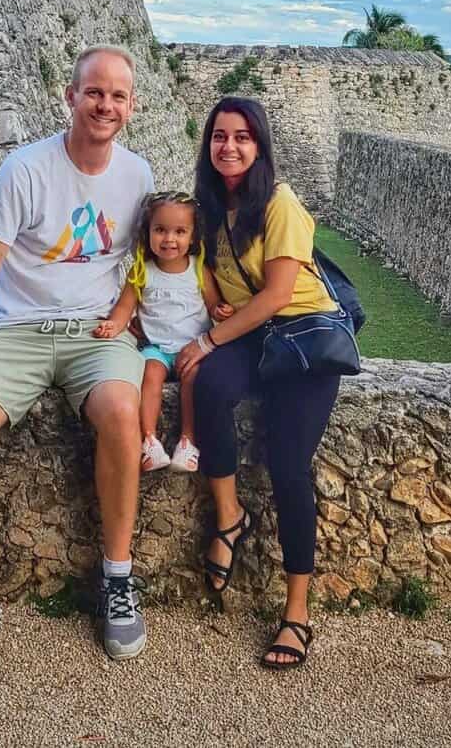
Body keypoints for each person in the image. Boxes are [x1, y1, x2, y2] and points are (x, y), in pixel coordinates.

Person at [0, 45, 154, 680]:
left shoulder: (136, 176)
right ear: (70, 96)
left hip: (96, 332)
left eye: (117, 96)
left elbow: (145, 263)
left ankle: (116, 577)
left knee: (120, 413)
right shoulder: (25, 169)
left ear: (131, 106)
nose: (105, 105)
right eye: (94, 93)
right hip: (19, 330)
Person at [174, 96, 343, 672]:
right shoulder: (209, 205)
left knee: (288, 463)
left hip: (299, 335)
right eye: (220, 136)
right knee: (209, 388)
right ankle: (228, 516)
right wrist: (214, 307)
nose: (229, 146)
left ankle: (297, 611)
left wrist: (207, 339)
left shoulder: (279, 203)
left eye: (242, 137)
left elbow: (276, 295)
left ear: (260, 145)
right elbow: (207, 272)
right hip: (248, 332)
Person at [93, 191, 233, 473]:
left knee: (193, 379)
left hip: (191, 349)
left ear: (193, 237)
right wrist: (114, 324)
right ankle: (149, 441)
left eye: (180, 231)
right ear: (148, 233)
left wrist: (220, 310)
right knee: (149, 376)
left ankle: (187, 441)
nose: (169, 239)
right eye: (160, 230)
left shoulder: (198, 270)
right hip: (156, 348)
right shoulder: (142, 270)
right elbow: (125, 307)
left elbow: (213, 303)